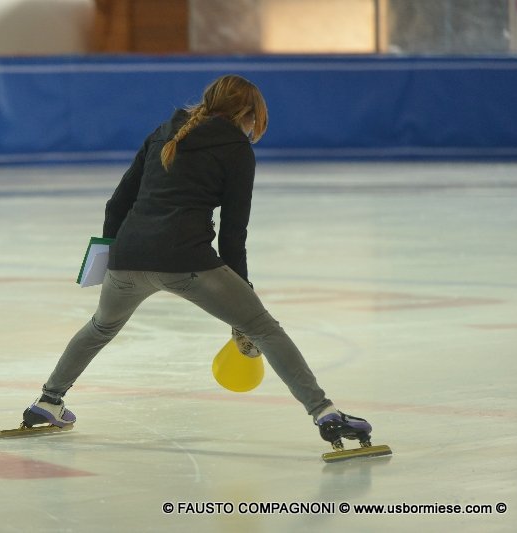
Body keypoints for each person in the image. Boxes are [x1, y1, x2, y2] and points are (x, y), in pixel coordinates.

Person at [19, 75, 376, 449]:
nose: (254, 127)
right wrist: (243, 295)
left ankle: (48, 401)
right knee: (263, 329)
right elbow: (233, 232)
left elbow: (117, 204)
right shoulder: (236, 148)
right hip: (186, 259)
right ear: (247, 113)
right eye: (256, 119)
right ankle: (325, 414)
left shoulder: (163, 132)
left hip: (128, 256)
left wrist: (110, 259)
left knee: (100, 327)